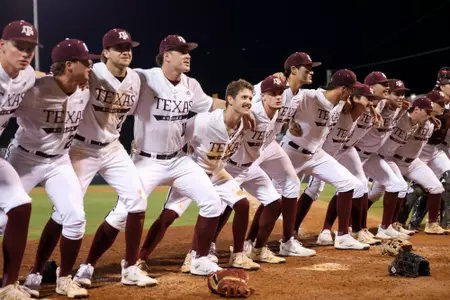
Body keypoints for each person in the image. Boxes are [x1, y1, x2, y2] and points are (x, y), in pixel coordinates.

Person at [23, 29, 157, 293]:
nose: (126, 51)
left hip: (113, 147)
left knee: (138, 201)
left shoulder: (135, 80)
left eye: (128, 47)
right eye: (118, 47)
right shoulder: (91, 72)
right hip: (81, 148)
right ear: (105, 52)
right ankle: (36, 271)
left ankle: (130, 268)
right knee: (64, 212)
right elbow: (58, 79)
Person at [82, 35, 228, 276]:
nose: (188, 55)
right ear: (166, 56)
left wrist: (243, 107)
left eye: (188, 51)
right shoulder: (143, 78)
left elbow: (212, 105)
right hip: (146, 161)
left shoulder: (191, 85)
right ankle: (88, 265)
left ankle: (200, 259)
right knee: (122, 214)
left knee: (212, 203)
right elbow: (115, 82)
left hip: (179, 160)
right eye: (182, 51)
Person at [136, 79, 261, 273]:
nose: (248, 101)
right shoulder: (205, 121)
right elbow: (178, 135)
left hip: (217, 172)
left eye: (251, 98)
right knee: (169, 216)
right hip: (194, 171)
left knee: (242, 204)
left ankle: (235, 256)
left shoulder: (244, 124)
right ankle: (141, 257)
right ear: (229, 99)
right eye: (244, 97)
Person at [7, 38, 99, 298]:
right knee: (4, 220)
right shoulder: (34, 90)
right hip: (25, 158)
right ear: (69, 65)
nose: (90, 65)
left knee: (75, 217)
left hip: (59, 161)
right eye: (85, 61)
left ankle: (65, 279)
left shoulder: (85, 88)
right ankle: (9, 281)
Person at [279, 69, 369, 250]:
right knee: (274, 200)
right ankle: (252, 242)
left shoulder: (339, 105)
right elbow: (285, 106)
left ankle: (343, 236)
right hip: (291, 152)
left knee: (349, 183)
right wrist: (289, 122)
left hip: (315, 154)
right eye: (351, 89)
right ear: (343, 89)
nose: (352, 93)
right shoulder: (310, 96)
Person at [245, 52, 320, 256]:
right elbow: (248, 97)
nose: (311, 71)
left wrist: (290, 123)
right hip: (249, 146)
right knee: (229, 193)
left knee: (291, 183)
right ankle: (209, 248)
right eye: (307, 68)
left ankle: (287, 242)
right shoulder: (275, 86)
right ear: (293, 70)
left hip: (269, 144)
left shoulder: (298, 96)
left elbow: (283, 114)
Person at [296, 83, 381, 246]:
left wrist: (372, 109)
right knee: (309, 189)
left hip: (340, 150)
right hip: (318, 150)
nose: (371, 102)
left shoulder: (365, 110)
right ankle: (297, 231)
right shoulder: (342, 106)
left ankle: (355, 231)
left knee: (357, 184)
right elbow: (326, 97)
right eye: (369, 98)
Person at [0, 20, 41, 299]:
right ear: (2, 45)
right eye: (19, 46)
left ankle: (9, 285)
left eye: (30, 48)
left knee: (20, 204)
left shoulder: (26, 76)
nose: (25, 53)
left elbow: (41, 75)